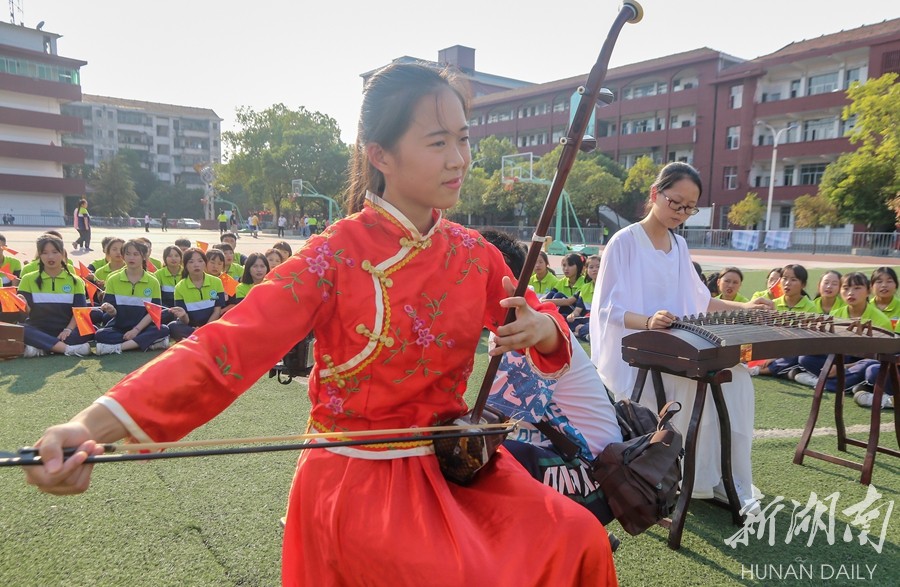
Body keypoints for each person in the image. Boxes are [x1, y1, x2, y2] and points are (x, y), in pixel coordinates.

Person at [22, 62, 615, 585]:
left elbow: (541, 326)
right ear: (380, 155)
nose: (459, 159)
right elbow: (225, 346)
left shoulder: (475, 253)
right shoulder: (335, 255)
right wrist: (88, 423)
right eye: (438, 142)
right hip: (359, 475)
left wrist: (541, 330)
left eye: (463, 139)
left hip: (453, 459)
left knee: (578, 539)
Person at [589, 162, 770, 514]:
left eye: (690, 208)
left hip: (674, 346)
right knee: (698, 385)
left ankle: (717, 476)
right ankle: (691, 476)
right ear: (656, 194)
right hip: (638, 351)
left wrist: (746, 306)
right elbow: (606, 309)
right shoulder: (624, 242)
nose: (682, 213)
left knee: (737, 378)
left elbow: (702, 299)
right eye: (676, 203)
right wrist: (649, 320)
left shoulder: (679, 245)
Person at [482, 230, 622, 524]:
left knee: (478, 458)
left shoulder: (531, 324)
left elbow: (549, 331)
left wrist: (544, 330)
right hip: (561, 453)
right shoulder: (504, 328)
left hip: (592, 471)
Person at [797, 272, 894, 395]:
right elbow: (831, 346)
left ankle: (824, 383)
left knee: (870, 367)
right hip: (841, 358)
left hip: (863, 362)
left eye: (857, 288)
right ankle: (851, 384)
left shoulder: (881, 320)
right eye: (846, 288)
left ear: (868, 291)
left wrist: (843, 368)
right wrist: (834, 364)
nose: (850, 293)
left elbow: (879, 358)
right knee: (806, 358)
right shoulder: (835, 314)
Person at [15, 234, 93, 357]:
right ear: (39, 255)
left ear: (62, 253)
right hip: (39, 328)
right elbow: (26, 312)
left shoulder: (75, 280)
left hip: (66, 330)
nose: (50, 257)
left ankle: (43, 347)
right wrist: (23, 304)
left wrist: (68, 330)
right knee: (22, 330)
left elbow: (81, 312)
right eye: (44, 253)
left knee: (89, 330)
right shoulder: (28, 279)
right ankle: (67, 349)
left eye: (55, 252)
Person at [94, 240, 169, 355]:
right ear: (123, 256)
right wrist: (111, 309)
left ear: (144, 256)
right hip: (119, 327)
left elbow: (154, 312)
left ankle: (119, 347)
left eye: (136, 254)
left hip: (143, 327)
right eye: (128, 254)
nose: (131, 258)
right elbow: (111, 311)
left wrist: (136, 330)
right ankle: (148, 343)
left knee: (163, 329)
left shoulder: (153, 281)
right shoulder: (113, 279)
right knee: (100, 335)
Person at [165, 247, 225, 341]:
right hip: (192, 327)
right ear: (185, 265)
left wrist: (205, 329)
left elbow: (217, 311)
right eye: (191, 262)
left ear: (205, 263)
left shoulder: (216, 282)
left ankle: (198, 338)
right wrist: (183, 315)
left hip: (211, 324)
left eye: (200, 261)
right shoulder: (180, 287)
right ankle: (203, 338)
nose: (196, 265)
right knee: (173, 327)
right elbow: (185, 320)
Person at [544, 253, 586, 317]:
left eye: (570, 265)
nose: (566, 268)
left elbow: (569, 301)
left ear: (578, 266)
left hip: (576, 314)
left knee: (559, 295)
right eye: (564, 265)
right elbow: (551, 294)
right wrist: (541, 300)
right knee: (552, 294)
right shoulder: (563, 281)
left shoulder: (584, 282)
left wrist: (545, 301)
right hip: (564, 310)